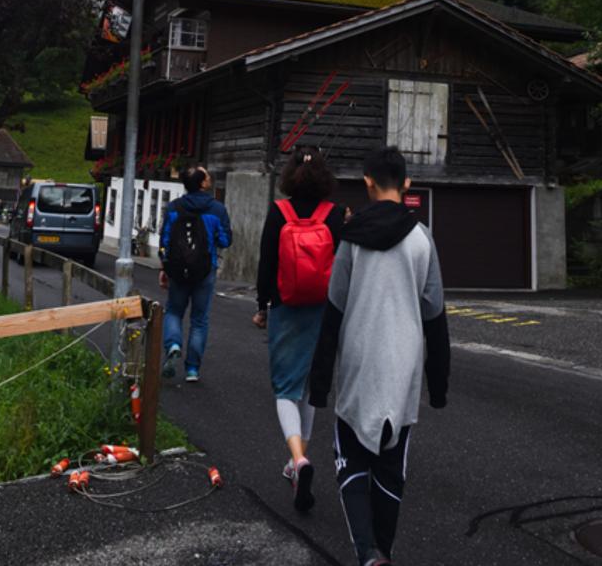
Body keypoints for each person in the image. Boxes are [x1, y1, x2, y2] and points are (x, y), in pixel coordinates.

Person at [309, 145, 450, 566]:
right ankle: (382, 552)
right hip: (403, 367)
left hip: (358, 364)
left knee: (350, 461)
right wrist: (438, 386)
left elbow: (333, 312)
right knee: (391, 468)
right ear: (406, 185)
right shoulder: (423, 239)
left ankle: (368, 554)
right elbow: (435, 318)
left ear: (367, 183)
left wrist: (318, 385)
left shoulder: (352, 240)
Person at [252, 149, 344, 512]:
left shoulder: (279, 212)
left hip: (286, 307)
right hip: (322, 309)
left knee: (284, 388)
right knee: (308, 387)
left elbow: (266, 261)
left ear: (290, 176)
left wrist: (263, 305)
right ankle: (297, 460)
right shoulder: (334, 215)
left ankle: (298, 459)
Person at [158, 163, 232, 383]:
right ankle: (192, 369)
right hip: (205, 270)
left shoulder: (173, 208)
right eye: (206, 175)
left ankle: (173, 344)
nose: (209, 177)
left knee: (173, 312)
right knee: (199, 319)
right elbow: (226, 240)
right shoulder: (217, 209)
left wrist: (164, 267)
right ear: (202, 183)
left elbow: (165, 241)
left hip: (178, 270)